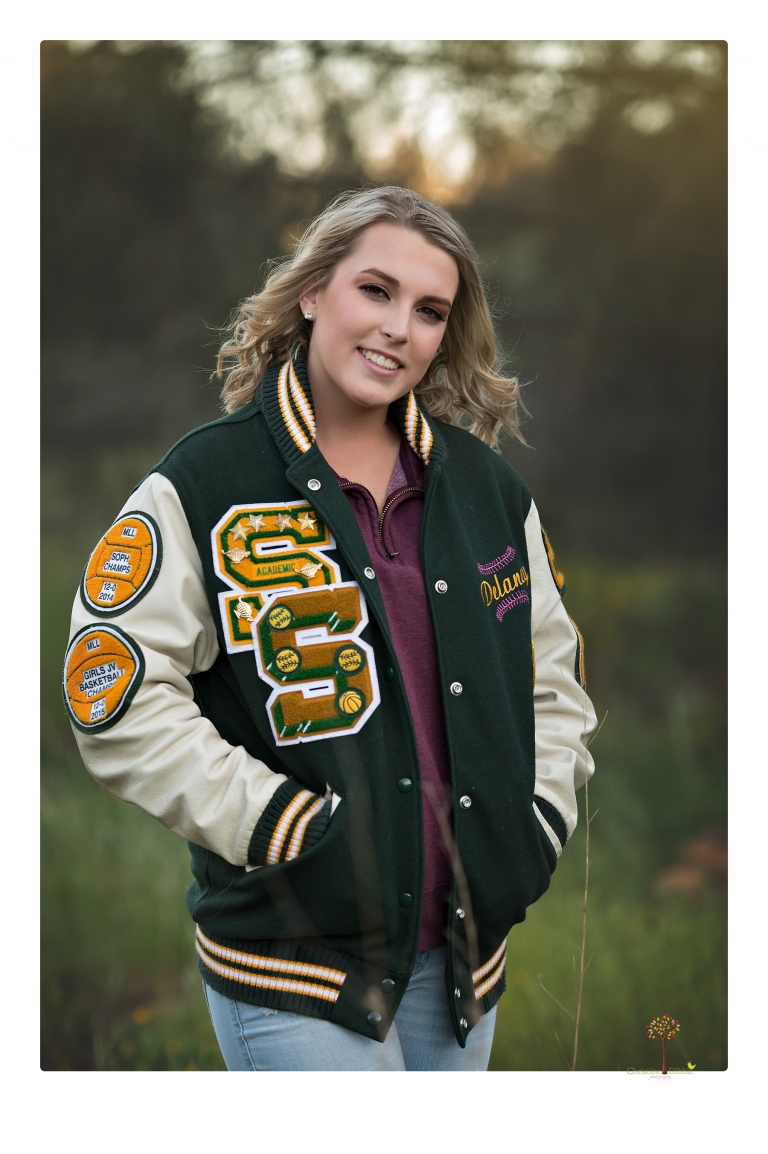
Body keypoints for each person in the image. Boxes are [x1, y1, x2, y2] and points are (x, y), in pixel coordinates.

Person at [63, 185, 597, 1071]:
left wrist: (532, 823)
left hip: (465, 968)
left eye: (430, 311)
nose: (399, 328)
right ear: (314, 291)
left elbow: (554, 684)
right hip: (294, 966)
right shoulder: (202, 482)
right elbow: (113, 697)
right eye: (375, 291)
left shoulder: (489, 493)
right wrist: (279, 824)